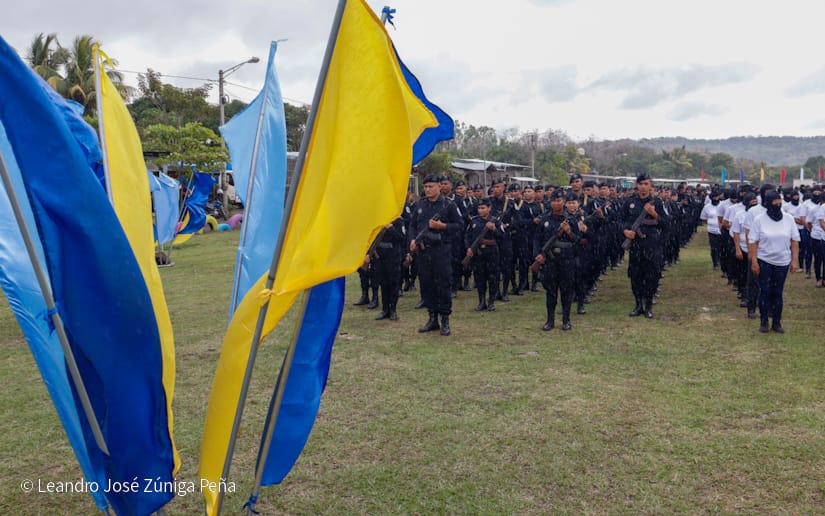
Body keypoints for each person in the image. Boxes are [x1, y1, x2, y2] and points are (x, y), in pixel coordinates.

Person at [409, 174, 463, 336]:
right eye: (425, 187)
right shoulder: (420, 205)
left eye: (431, 186)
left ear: (439, 186)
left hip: (441, 251)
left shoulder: (448, 205)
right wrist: (412, 239)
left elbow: (460, 225)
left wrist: (443, 226)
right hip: (423, 252)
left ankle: (445, 319)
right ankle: (432, 318)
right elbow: (412, 225)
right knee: (427, 285)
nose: (428, 190)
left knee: (443, 285)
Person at [748, 190, 800, 333]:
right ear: (767, 204)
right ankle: (764, 321)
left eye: (779, 202)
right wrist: (754, 261)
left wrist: (794, 260)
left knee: (777, 292)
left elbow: (794, 240)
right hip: (764, 260)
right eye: (774, 202)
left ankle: (776, 322)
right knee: (765, 291)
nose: (777, 205)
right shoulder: (759, 220)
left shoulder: (789, 219)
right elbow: (753, 242)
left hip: (782, 262)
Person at [619, 173, 667, 318]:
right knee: (636, 275)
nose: (643, 187)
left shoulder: (657, 202)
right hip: (636, 245)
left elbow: (666, 223)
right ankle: (638, 304)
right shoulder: (629, 202)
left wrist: (655, 214)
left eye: (646, 184)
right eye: (641, 184)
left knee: (652, 275)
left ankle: (649, 306)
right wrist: (625, 231)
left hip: (652, 244)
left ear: (650, 185)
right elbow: (620, 220)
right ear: (637, 185)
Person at [534, 190, 580, 330]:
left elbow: (578, 240)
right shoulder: (545, 219)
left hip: (566, 259)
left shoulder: (571, 220)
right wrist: (538, 254)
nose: (556, 203)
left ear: (564, 202)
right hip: (549, 260)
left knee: (566, 291)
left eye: (559, 200)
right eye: (553, 200)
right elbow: (537, 239)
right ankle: (550, 320)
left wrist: (569, 232)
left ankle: (566, 320)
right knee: (551, 291)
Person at [464, 198, 501, 311]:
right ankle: (481, 301)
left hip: (491, 253)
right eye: (479, 208)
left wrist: (494, 229)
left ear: (489, 208)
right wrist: (468, 248)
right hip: (478, 253)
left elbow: (502, 236)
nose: (480, 210)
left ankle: (491, 302)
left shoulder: (495, 221)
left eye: (483, 208)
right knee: (479, 278)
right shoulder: (474, 221)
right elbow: (467, 236)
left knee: (492, 277)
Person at [370, 217, 406, 321]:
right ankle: (385, 309)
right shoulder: (378, 219)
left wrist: (391, 229)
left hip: (393, 256)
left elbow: (402, 238)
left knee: (393, 284)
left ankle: (393, 310)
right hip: (380, 257)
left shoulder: (398, 221)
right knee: (383, 284)